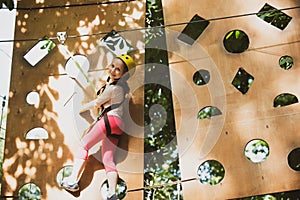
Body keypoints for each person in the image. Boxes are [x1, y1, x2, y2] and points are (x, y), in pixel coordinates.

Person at [61, 54, 135, 200]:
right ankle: (112, 194)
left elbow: (97, 103)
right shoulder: (122, 88)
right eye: (112, 66)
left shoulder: (113, 88)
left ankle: (73, 181)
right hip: (118, 126)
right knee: (108, 160)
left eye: (118, 69)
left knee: (84, 146)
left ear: (123, 75)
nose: (113, 70)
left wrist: (81, 108)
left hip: (109, 121)